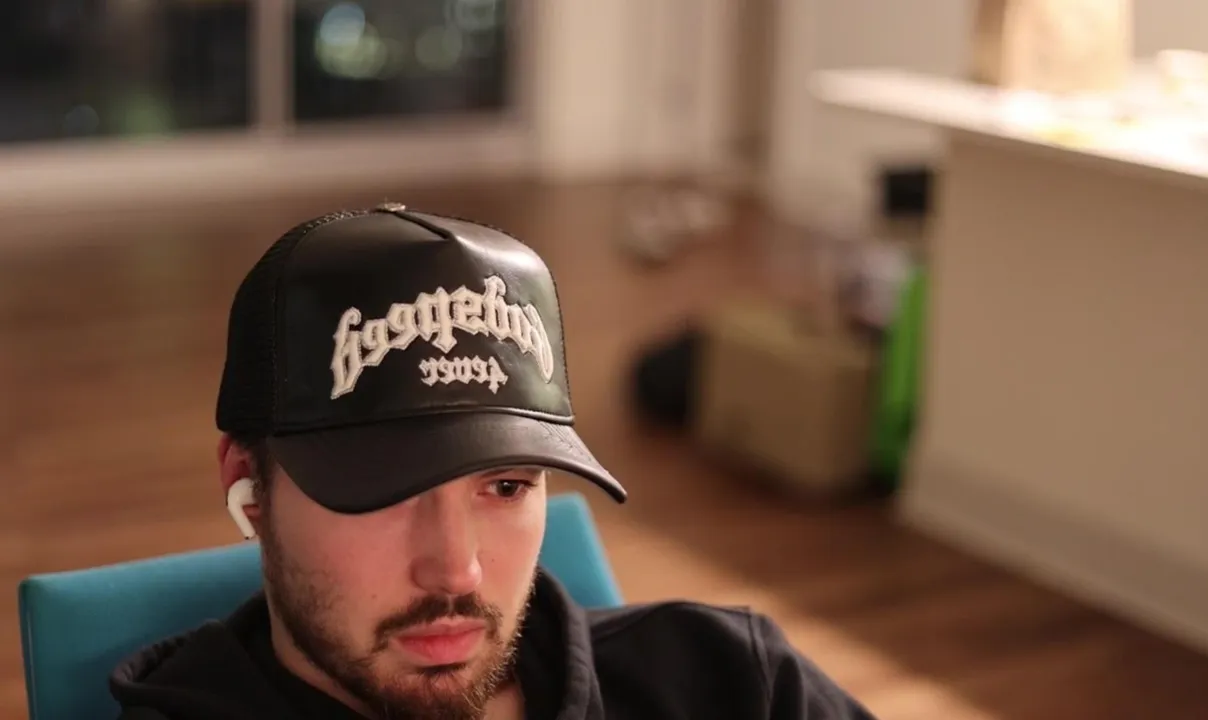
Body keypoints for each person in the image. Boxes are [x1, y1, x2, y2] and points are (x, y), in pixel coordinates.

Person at [109, 204, 878, 720]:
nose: (457, 571)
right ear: (246, 483)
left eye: (505, 485)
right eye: (382, 491)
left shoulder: (733, 682)